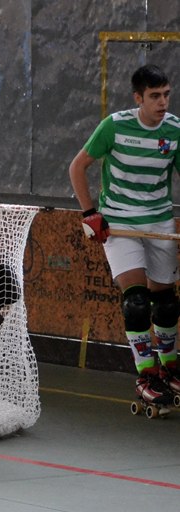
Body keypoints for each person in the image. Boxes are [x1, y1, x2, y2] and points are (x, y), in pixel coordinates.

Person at [68, 64, 180, 409]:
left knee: (166, 302)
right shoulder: (114, 126)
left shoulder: (175, 130)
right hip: (119, 224)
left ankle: (170, 368)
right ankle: (146, 375)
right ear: (138, 98)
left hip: (159, 222)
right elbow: (77, 166)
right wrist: (90, 213)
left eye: (166, 95)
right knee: (136, 302)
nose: (163, 103)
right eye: (154, 96)